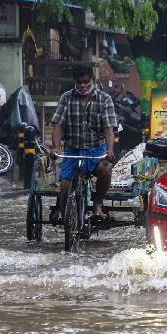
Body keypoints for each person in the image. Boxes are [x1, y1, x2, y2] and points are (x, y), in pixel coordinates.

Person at [51, 64, 117, 221]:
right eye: (79, 82)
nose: (83, 85)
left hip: (96, 150)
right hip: (72, 150)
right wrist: (55, 147)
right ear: (75, 82)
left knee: (106, 169)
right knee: (65, 189)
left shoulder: (104, 99)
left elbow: (109, 128)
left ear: (91, 80)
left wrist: (110, 150)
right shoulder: (66, 98)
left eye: (86, 82)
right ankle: (65, 215)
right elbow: (58, 125)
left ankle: (97, 203)